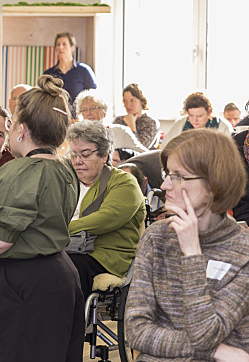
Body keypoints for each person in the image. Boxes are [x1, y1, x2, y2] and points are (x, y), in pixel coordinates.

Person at [0, 75, 84, 362]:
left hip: (23, 282)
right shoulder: (65, 170)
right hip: (62, 275)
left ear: (21, 130)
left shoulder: (19, 172)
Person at [126, 129, 249, 361]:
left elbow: (204, 335)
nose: (164, 185)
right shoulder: (156, 238)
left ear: (214, 184)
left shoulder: (243, 251)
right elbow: (135, 330)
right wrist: (218, 351)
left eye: (178, 176)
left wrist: (192, 255)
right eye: (167, 174)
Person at [66, 120, 146, 296]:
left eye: (85, 154)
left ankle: (65, 323)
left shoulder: (124, 182)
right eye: (73, 155)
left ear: (104, 155)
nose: (77, 161)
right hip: (68, 248)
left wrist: (58, 229)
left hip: (105, 257)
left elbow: (106, 218)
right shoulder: (67, 181)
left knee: (63, 269)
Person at [74, 89, 148, 153]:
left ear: (104, 112)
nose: (88, 113)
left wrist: (123, 154)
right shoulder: (78, 137)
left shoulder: (120, 132)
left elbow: (145, 154)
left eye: (93, 108)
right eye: (84, 110)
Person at [43, 32, 97, 118]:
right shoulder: (48, 74)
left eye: (64, 44)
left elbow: (93, 97)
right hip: (54, 121)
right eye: (58, 44)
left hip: (79, 121)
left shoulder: (84, 71)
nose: (60, 47)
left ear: (72, 48)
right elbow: (43, 100)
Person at [162, 91, 233, 147]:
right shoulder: (180, 124)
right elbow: (165, 148)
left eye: (199, 116)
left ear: (209, 112)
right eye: (191, 115)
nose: (195, 120)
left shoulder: (223, 126)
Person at [113, 83, 160, 148]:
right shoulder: (119, 120)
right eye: (125, 101)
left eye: (132, 101)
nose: (128, 105)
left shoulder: (151, 122)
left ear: (142, 101)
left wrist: (132, 126)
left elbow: (141, 148)